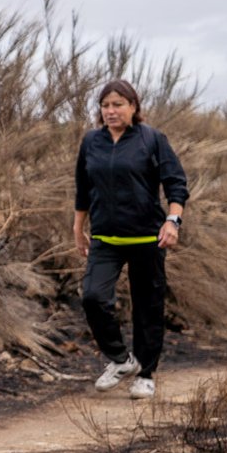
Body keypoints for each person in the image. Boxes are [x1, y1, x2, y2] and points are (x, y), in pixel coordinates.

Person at [73, 79, 188, 400]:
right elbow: (83, 188)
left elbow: (176, 183)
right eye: (105, 105)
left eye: (118, 104)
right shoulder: (91, 141)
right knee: (93, 297)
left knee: (148, 307)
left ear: (133, 107)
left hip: (147, 237)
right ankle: (121, 359)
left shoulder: (151, 139)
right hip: (104, 237)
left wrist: (172, 221)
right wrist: (78, 228)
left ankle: (146, 375)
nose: (111, 111)